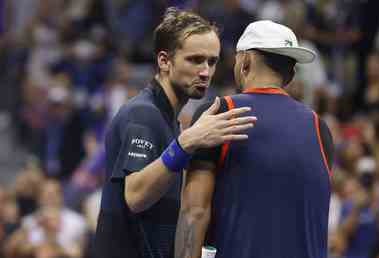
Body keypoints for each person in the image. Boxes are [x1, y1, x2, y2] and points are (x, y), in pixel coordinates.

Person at [94, 8, 257, 258]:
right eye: (195, 60)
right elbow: (135, 196)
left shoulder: (167, 119)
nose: (206, 72)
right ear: (164, 61)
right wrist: (186, 143)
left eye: (212, 61)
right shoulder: (144, 114)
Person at [175, 20, 334, 258]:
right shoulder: (319, 128)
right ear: (290, 75)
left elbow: (194, 211)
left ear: (245, 62)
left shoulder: (220, 113)